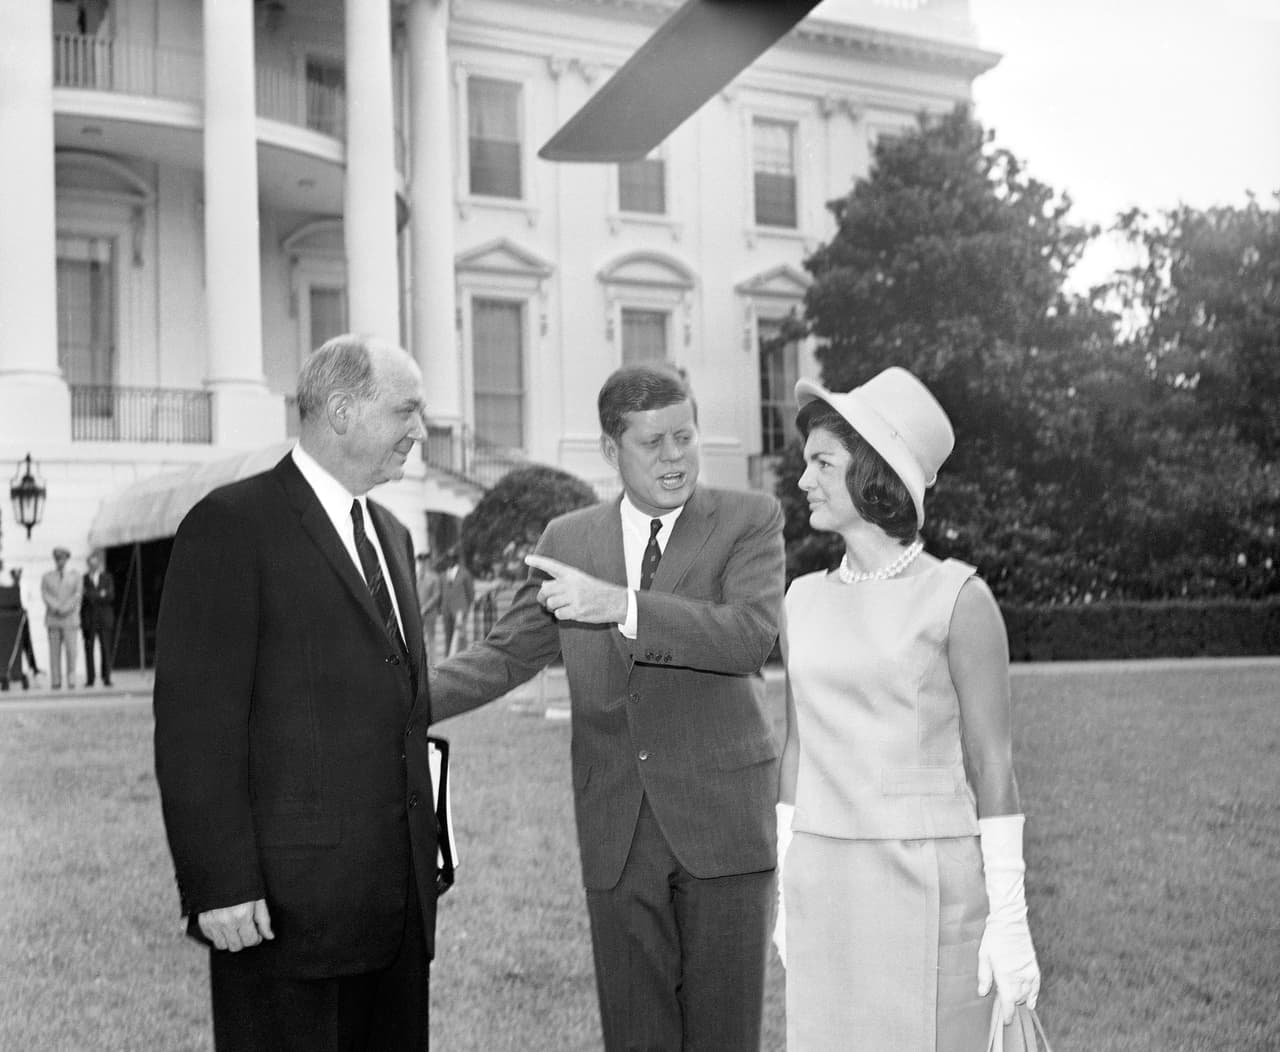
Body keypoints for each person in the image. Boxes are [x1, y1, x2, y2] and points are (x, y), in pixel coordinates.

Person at [431, 363, 785, 1051]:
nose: (675, 456)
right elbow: (507, 654)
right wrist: (393, 701)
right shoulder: (566, 541)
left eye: (684, 436)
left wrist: (620, 607)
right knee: (635, 1036)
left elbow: (750, 637)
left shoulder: (750, 519)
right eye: (652, 442)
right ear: (608, 449)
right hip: (617, 826)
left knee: (724, 1036)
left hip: (724, 823)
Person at [153, 334, 442, 1051]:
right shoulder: (232, 525)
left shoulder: (395, 536)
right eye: (407, 410)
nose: (421, 431)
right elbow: (195, 725)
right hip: (281, 919)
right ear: (341, 411)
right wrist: (219, 882)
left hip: (396, 913)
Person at [775, 367, 1042, 1050]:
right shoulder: (800, 600)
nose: (804, 481)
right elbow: (797, 750)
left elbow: (992, 761)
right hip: (825, 879)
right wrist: (785, 886)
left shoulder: (959, 597)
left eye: (822, 464)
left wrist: (1010, 916)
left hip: (930, 887)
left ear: (872, 473)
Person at [41, 547, 82, 690]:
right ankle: (56, 680)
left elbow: (77, 595)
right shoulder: (47, 576)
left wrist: (65, 608)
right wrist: (56, 607)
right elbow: (45, 594)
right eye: (58, 559)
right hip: (53, 618)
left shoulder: (75, 576)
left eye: (62, 559)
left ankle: (71, 679)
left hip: (70, 619)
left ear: (67, 559)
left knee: (71, 651)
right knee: (54, 652)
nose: (60, 561)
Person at [81, 549, 116, 687]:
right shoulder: (84, 579)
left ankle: (106, 677)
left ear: (99, 564)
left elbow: (110, 595)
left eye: (95, 564)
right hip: (89, 619)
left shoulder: (107, 577)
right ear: (88, 565)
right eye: (90, 564)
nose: (93, 567)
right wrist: (99, 594)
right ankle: (90, 678)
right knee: (89, 649)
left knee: (105, 648)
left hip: (104, 618)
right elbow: (85, 596)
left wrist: (93, 594)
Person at [438, 554, 474, 657]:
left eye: (449, 559)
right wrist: (440, 608)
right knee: (448, 636)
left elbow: (470, 593)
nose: (447, 562)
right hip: (446, 610)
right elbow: (441, 593)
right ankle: (448, 660)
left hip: (460, 611)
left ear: (454, 560)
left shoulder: (464, 574)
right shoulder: (443, 575)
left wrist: (466, 608)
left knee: (460, 637)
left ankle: (464, 659)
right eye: (446, 560)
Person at [9, 568, 42, 677]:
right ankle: (12, 669)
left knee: (27, 642)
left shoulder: (25, 586)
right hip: (11, 618)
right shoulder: (9, 586)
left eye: (18, 575)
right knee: (12, 643)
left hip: (23, 616)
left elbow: (30, 600)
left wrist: (26, 610)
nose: (17, 577)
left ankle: (33, 667)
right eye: (15, 575)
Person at [417, 553, 442, 663]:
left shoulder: (434, 577)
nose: (422, 564)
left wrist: (425, 608)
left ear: (428, 562)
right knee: (418, 639)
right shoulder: (415, 576)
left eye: (424, 561)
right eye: (420, 562)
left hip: (430, 613)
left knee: (431, 638)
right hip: (417, 613)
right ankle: (421, 662)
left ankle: (432, 663)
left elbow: (436, 595)